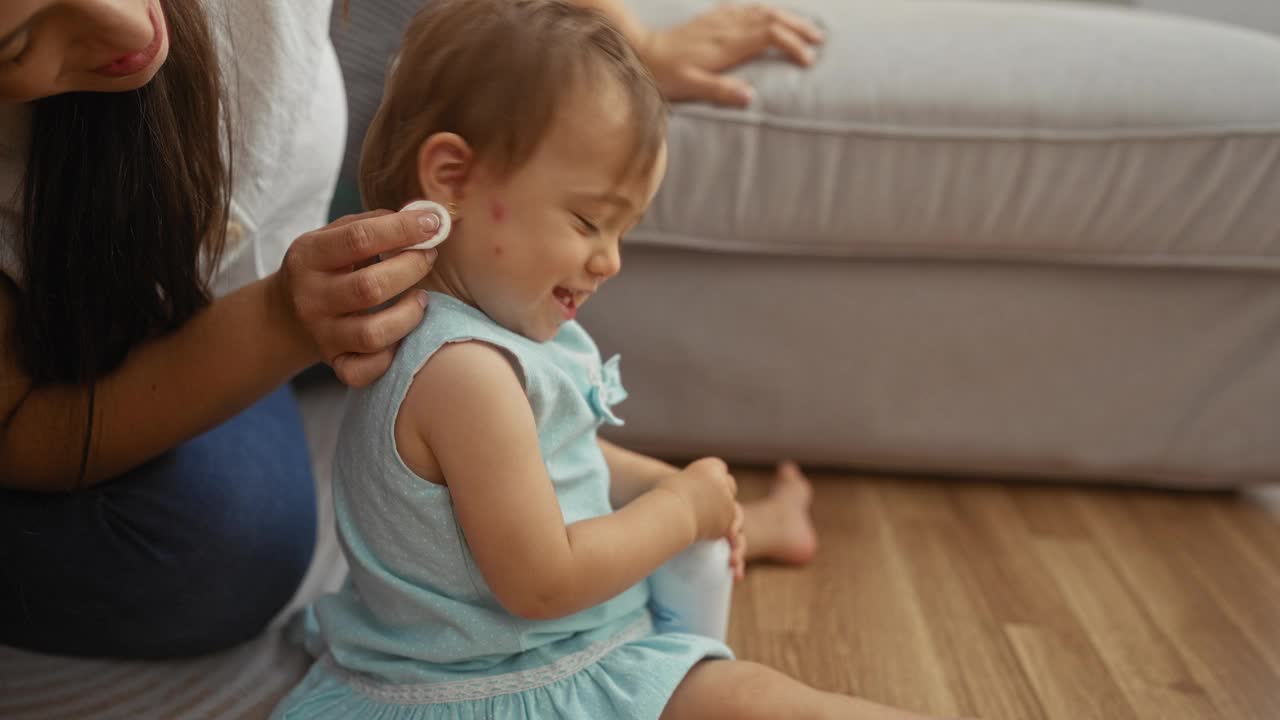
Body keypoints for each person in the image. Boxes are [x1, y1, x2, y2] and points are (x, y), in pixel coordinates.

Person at [272, 3, 945, 718]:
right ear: (452, 178)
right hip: (513, 679)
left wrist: (665, 482)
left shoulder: (481, 339)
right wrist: (681, 510)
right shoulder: (462, 373)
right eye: (590, 221)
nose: (611, 259)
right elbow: (543, 583)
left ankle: (769, 521)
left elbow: (561, 457)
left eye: (625, 230)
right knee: (769, 702)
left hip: (485, 658)